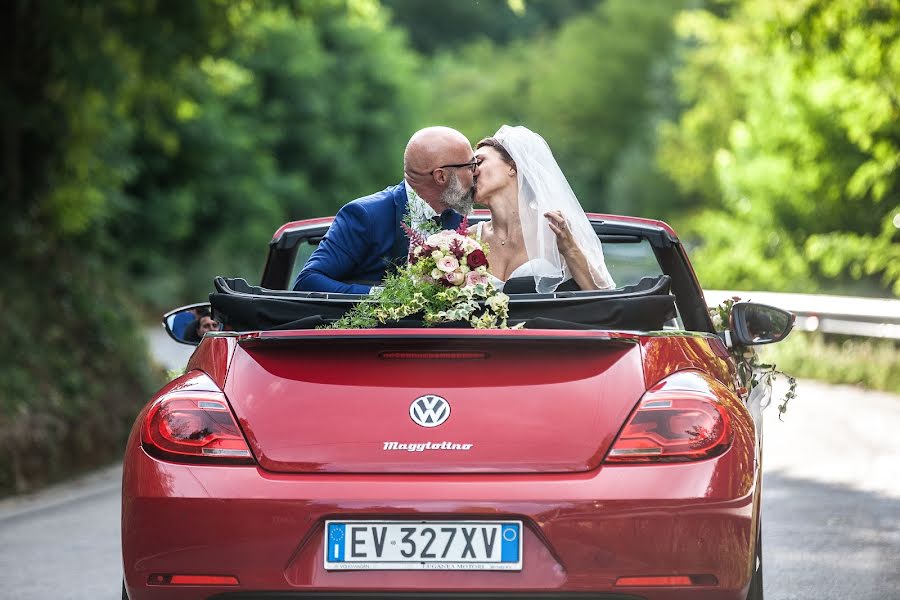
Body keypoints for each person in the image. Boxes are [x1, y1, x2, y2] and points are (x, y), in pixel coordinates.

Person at [293, 126, 476, 294]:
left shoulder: (459, 219)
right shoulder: (365, 215)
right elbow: (308, 281)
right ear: (441, 176)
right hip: (374, 328)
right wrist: (385, 297)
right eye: (470, 166)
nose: (476, 173)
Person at [472, 125, 615, 293]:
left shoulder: (556, 229)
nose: (471, 172)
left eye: (479, 162)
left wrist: (570, 250)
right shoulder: (467, 240)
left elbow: (605, 299)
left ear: (513, 166)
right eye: (469, 167)